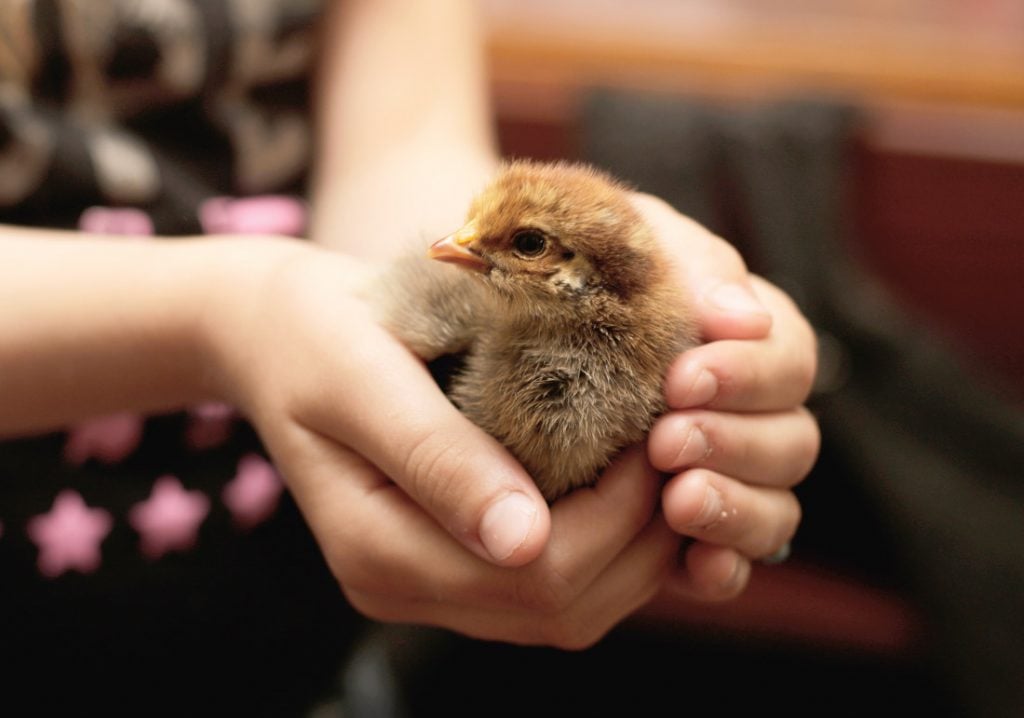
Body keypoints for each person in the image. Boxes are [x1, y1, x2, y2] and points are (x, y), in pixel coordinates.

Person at [0, 0, 817, 653]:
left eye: (529, 247)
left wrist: (707, 343)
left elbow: (400, 154)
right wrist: (226, 316)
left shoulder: (598, 326)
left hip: (296, 634)